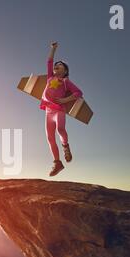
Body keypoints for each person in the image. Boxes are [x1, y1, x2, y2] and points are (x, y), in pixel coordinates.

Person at [40, 41, 83, 176]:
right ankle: (57, 163)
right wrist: (53, 49)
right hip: (48, 111)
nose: (56, 67)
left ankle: (65, 146)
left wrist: (65, 100)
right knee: (50, 138)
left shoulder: (65, 82)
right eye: (55, 66)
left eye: (59, 67)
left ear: (65, 71)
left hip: (59, 110)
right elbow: (49, 61)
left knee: (60, 129)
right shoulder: (50, 78)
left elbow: (78, 93)